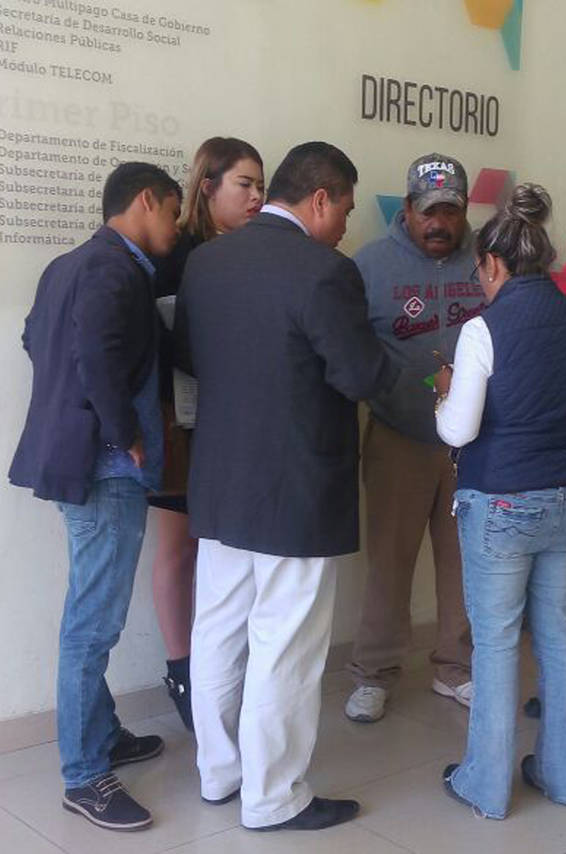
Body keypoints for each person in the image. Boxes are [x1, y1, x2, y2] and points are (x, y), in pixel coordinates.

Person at [175, 142, 399, 832]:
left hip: (220, 479)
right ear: (321, 198)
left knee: (218, 629)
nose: (346, 227)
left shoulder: (207, 261)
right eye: (346, 210)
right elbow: (359, 375)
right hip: (296, 486)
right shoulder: (325, 271)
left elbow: (188, 356)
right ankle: (273, 797)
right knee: (286, 644)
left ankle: (220, 773)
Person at [8, 163, 183, 832]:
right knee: (92, 624)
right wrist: (124, 432)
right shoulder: (117, 269)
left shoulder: (68, 265)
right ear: (146, 202)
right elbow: (96, 357)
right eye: (173, 212)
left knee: (90, 608)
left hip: (74, 460)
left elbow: (36, 339)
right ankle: (84, 777)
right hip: (106, 467)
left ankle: (104, 736)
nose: (176, 227)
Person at [435, 184, 566, 820]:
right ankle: (564, 777)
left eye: (480, 269)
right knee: (559, 632)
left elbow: (459, 430)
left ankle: (485, 784)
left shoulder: (484, 328)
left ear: (493, 263)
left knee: (498, 643)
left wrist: (443, 392)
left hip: (502, 502)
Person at [344, 153, 479, 724]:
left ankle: (456, 668)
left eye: (450, 211)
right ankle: (373, 674)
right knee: (389, 565)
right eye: (428, 212)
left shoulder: (488, 260)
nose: (439, 224)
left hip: (473, 444)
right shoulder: (368, 266)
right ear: (407, 209)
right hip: (399, 437)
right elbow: (347, 350)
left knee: (465, 564)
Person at [148, 137, 265, 733]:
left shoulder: (261, 253)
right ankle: (183, 670)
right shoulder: (178, 255)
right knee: (179, 550)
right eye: (245, 184)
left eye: (261, 186)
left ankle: (228, 672)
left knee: (232, 552)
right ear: (208, 186)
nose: (256, 196)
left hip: (242, 424)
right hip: (180, 423)